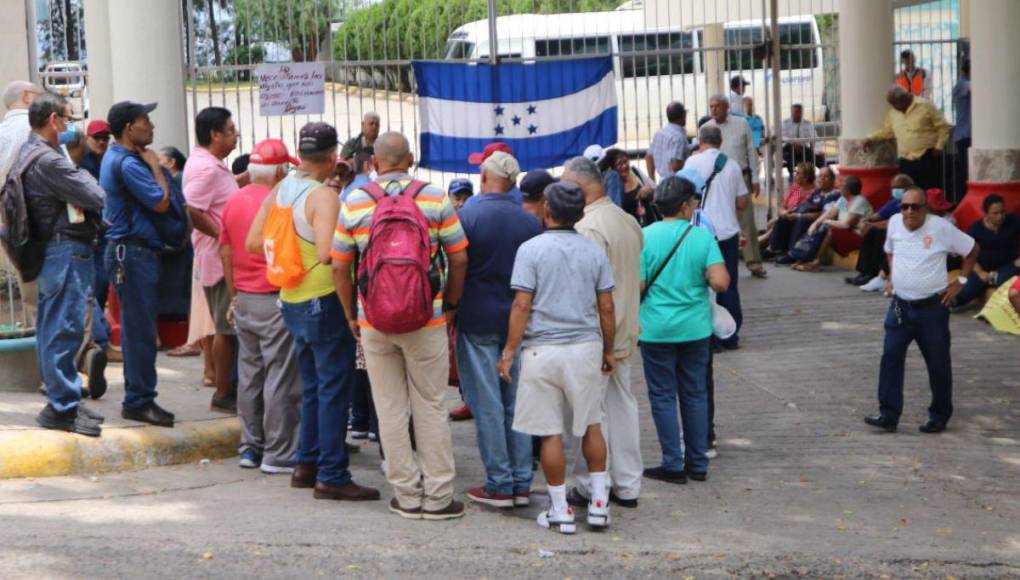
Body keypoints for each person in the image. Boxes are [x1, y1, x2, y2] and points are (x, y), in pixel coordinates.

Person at [332, 132, 468, 520]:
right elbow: (459, 258)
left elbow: (340, 265)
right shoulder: (435, 196)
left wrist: (350, 314)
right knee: (431, 405)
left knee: (390, 408)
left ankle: (406, 496)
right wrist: (451, 305)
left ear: (373, 162)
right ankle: (439, 497)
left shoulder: (355, 200)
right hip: (428, 318)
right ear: (409, 159)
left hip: (374, 320)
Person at [246, 122, 380, 501]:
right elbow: (327, 254)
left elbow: (254, 242)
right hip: (322, 299)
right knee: (334, 388)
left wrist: (292, 247)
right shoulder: (322, 197)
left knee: (313, 387)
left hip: (290, 299)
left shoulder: (280, 188)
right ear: (334, 155)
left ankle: (306, 464)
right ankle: (332, 474)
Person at [500, 181, 616, 534]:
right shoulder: (594, 250)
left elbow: (522, 304)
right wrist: (608, 348)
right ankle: (599, 504)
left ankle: (560, 509)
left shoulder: (530, 250)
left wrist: (508, 351)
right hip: (585, 347)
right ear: (581, 214)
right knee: (591, 424)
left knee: (550, 432)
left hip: (541, 350)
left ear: (546, 210)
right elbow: (606, 307)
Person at [455, 150, 542, 509]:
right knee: (516, 402)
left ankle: (499, 483)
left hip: (476, 317)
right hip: (516, 321)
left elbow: (455, 263)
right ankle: (521, 480)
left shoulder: (467, 215)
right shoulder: (529, 222)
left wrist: (450, 306)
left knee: (487, 403)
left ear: (486, 176)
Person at [20, 93, 106, 436]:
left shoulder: (37, 152)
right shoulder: (49, 161)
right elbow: (97, 196)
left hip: (59, 249)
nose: (72, 127)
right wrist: (79, 173)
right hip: (64, 249)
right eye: (69, 120)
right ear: (54, 120)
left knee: (55, 326)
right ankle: (61, 407)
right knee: (64, 327)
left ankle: (64, 399)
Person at [563, 155, 644, 510]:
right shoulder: (626, 221)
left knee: (591, 411)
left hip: (599, 335)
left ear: (580, 188)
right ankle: (627, 483)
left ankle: (591, 481)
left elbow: (589, 291)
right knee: (621, 405)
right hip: (625, 329)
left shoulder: (589, 229)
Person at [639, 176, 730, 484]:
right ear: (683, 206)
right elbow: (721, 282)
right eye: (692, 202)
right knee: (695, 393)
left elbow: (637, 286)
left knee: (663, 396)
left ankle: (672, 464)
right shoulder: (701, 237)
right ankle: (698, 462)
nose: (694, 206)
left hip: (655, 329)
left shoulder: (645, 237)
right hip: (695, 329)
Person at [864, 187, 977, 435]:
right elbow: (890, 250)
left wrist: (961, 282)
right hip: (900, 306)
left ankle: (939, 415)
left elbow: (971, 250)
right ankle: (888, 414)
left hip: (932, 309)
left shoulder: (941, 228)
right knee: (890, 357)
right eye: (904, 206)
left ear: (925, 208)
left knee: (938, 363)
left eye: (915, 206)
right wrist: (894, 277)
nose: (909, 212)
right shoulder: (894, 223)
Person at [221, 138, 302, 474]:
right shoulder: (280, 202)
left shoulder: (233, 200)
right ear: (281, 170)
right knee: (280, 377)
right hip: (273, 298)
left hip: (244, 299)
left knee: (250, 374)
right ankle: (279, 453)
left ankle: (250, 447)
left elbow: (225, 251)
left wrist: (233, 294)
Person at [101, 101, 180, 427]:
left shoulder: (118, 158)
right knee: (140, 332)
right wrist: (157, 168)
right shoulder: (128, 163)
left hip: (132, 253)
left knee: (140, 330)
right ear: (128, 128)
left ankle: (139, 397)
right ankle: (138, 400)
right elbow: (160, 203)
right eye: (145, 121)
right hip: (131, 254)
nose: (151, 126)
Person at [183, 107, 240, 413]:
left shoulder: (212, 164)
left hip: (220, 257)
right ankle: (222, 391)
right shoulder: (207, 168)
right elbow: (191, 208)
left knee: (226, 326)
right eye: (230, 130)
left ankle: (227, 386)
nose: (236, 135)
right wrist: (221, 234)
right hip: (219, 260)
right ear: (214, 134)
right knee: (225, 327)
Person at [684, 124, 747, 350]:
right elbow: (741, 202)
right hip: (727, 233)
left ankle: (708, 338)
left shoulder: (691, 163)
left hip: (700, 232)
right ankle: (730, 335)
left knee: (703, 285)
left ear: (701, 141)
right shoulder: (732, 165)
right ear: (720, 142)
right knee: (727, 284)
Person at [704, 94, 766, 279]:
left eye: (717, 106)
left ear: (726, 107)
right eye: (711, 106)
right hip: (717, 183)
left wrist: (755, 178)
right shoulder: (706, 129)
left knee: (747, 222)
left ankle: (754, 263)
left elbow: (751, 152)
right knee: (715, 223)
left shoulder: (741, 124)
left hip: (741, 178)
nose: (714, 109)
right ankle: (715, 265)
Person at [0, 80, 44, 328]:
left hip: (14, 219)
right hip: (48, 218)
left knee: (30, 292)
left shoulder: (2, 132)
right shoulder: (39, 127)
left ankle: (36, 354)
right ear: (27, 96)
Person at [866, 86, 951, 191]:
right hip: (906, 160)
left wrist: (939, 146)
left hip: (927, 156)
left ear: (905, 98)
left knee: (930, 191)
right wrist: (872, 138)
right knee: (908, 191)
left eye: (895, 104)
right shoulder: (893, 112)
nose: (894, 107)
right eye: (892, 104)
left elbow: (943, 126)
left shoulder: (925, 105)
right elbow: (888, 131)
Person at [848, 174, 916, 290]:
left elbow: (896, 222)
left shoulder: (912, 203)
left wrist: (872, 225)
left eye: (899, 187)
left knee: (878, 231)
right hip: (891, 231)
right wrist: (865, 221)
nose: (895, 190)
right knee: (870, 231)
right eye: (893, 187)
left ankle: (874, 273)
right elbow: (876, 216)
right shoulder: (893, 202)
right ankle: (864, 272)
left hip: (905, 233)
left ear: (909, 187)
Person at [953, 194, 1020, 309]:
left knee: (1004, 281)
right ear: (986, 213)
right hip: (982, 268)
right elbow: (967, 254)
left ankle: (995, 280)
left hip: (1008, 266)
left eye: (1002, 212)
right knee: (967, 292)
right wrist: (980, 273)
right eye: (995, 213)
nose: (1000, 216)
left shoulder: (1013, 221)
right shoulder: (975, 228)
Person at [793, 176, 873, 272]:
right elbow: (830, 213)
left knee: (829, 229)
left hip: (858, 235)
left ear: (848, 190)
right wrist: (815, 223)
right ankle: (803, 257)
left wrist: (827, 222)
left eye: (842, 186)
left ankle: (815, 262)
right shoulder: (844, 199)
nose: (839, 188)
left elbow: (846, 225)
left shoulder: (859, 201)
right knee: (819, 226)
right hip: (846, 232)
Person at [601, 148, 657, 226]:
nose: (624, 166)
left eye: (625, 161)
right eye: (619, 164)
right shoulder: (613, 187)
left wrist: (650, 191)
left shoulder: (635, 172)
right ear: (612, 167)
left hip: (649, 223)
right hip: (629, 227)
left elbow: (656, 190)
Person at [645, 102, 689, 182]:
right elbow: (675, 166)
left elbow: (648, 157)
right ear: (683, 116)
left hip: (662, 181)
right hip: (676, 183)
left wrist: (652, 180)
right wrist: (691, 161)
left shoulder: (659, 133)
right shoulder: (678, 137)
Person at [781, 104, 823, 175]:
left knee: (818, 157)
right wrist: (793, 142)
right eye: (794, 112)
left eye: (798, 112)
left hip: (802, 148)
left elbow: (814, 137)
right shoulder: (785, 123)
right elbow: (781, 137)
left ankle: (823, 173)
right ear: (791, 112)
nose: (795, 114)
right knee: (790, 155)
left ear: (802, 113)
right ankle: (793, 176)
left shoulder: (807, 124)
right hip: (788, 148)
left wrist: (818, 150)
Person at [951, 59, 971, 202]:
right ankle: (960, 200)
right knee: (965, 170)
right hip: (965, 135)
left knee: (968, 170)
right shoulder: (962, 84)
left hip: (968, 134)